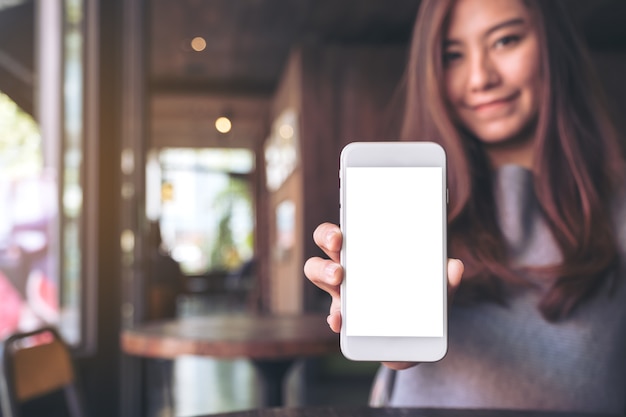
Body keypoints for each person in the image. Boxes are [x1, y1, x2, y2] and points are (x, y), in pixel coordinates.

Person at [304, 0, 626, 413]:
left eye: (506, 40)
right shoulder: (409, 200)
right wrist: (389, 338)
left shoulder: (616, 206)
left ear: (553, 46)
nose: (480, 78)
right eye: (452, 55)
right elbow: (398, 369)